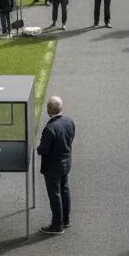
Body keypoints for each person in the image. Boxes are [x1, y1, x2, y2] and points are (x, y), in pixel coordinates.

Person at [38, 95, 75, 235]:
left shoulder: (50, 128)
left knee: (55, 195)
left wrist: (39, 148)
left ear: (49, 110)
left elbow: (43, 150)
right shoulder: (69, 122)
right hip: (65, 163)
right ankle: (66, 219)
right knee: (65, 190)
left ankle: (57, 225)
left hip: (52, 167)